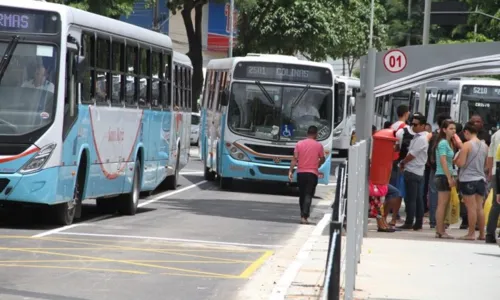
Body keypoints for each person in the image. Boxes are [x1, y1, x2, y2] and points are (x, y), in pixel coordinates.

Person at [454, 121, 488, 240]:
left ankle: (471, 233)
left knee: (471, 208)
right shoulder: (485, 146)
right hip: (480, 179)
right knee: (479, 207)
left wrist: (455, 161)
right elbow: (486, 165)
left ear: (466, 132)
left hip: (468, 179)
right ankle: (482, 234)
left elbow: (461, 163)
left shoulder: (467, 145)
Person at [289, 126, 325, 224]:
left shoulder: (299, 144)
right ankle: (305, 216)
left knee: (302, 194)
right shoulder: (319, 146)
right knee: (308, 194)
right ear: (316, 134)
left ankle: (302, 215)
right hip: (312, 173)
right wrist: (319, 164)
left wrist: (290, 171)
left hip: (301, 173)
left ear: (307, 133)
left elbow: (294, 159)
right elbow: (322, 158)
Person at [398, 113, 429, 230]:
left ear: (423, 126)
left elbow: (412, 154)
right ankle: (417, 222)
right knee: (417, 198)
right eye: (412, 124)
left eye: (415, 124)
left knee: (412, 199)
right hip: (417, 171)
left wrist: (403, 163)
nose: (413, 126)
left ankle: (410, 221)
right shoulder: (419, 137)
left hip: (413, 171)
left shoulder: (421, 139)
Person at [434, 120, 458, 239]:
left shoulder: (449, 143)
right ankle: (440, 230)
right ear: (444, 130)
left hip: (446, 175)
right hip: (443, 175)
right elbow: (443, 161)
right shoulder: (443, 143)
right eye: (450, 128)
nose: (453, 131)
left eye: (454, 129)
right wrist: (449, 177)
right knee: (442, 204)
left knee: (444, 204)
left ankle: (440, 229)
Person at [486, 128, 500, 244]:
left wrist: (490, 172)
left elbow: (490, 157)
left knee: (496, 204)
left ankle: (490, 234)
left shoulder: (496, 135)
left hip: (497, 172)